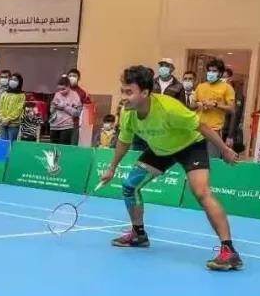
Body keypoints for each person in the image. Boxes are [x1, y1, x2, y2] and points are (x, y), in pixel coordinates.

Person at [100, 65, 242, 271]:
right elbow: (124, 141)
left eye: (129, 92)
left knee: (201, 192)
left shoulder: (169, 108)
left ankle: (229, 251)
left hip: (190, 146)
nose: (123, 97)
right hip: (160, 149)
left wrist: (225, 150)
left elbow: (202, 126)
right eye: (122, 91)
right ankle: (138, 234)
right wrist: (112, 167)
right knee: (130, 186)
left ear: (145, 93)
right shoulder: (128, 113)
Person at [194, 59, 235, 158]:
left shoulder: (227, 88)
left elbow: (232, 108)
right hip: (197, 130)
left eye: (214, 71)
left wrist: (215, 105)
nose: (210, 73)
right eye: (209, 70)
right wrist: (199, 104)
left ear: (220, 73)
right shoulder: (200, 86)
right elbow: (192, 105)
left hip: (214, 130)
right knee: (195, 161)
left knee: (212, 161)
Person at [49, 76, 82, 145]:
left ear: (68, 86)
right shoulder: (57, 94)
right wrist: (53, 107)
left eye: (63, 89)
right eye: (59, 89)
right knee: (53, 148)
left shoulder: (75, 95)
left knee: (64, 147)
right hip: (54, 126)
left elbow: (77, 113)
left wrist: (64, 107)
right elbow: (51, 110)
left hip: (66, 126)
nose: (61, 91)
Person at [221, 68, 246, 154]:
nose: (222, 80)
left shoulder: (237, 94)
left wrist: (230, 135)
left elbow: (235, 114)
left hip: (227, 132)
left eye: (224, 77)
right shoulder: (220, 91)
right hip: (218, 129)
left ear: (230, 78)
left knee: (228, 156)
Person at [66, 68, 94, 145]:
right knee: (61, 146)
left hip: (74, 124)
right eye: (70, 76)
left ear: (78, 78)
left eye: (74, 76)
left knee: (73, 146)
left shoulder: (82, 93)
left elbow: (87, 108)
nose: (72, 78)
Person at [0, 73, 26, 141]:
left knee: (11, 143)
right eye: (11, 79)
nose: (12, 81)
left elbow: (18, 110)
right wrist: (2, 118)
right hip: (3, 123)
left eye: (15, 80)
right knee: (3, 143)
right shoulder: (4, 93)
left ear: (19, 82)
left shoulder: (21, 95)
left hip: (13, 124)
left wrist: (8, 119)